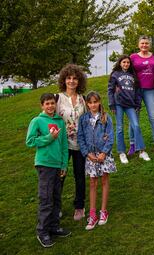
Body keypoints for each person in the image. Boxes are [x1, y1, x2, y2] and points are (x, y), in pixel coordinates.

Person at [26, 93, 71, 248]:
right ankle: (42, 231)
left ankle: (54, 227)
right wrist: (48, 138)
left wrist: (64, 165)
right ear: (42, 106)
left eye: (52, 103)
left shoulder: (60, 121)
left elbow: (64, 145)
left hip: (58, 165)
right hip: (44, 164)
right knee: (46, 199)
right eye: (47, 103)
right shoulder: (37, 121)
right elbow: (30, 141)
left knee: (56, 197)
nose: (50, 106)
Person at [77, 91, 117, 230]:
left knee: (104, 181)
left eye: (95, 102)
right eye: (90, 102)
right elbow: (80, 138)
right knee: (93, 182)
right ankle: (92, 214)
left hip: (104, 155)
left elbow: (111, 137)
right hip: (91, 156)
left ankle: (103, 211)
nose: (93, 105)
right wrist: (87, 153)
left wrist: (104, 153)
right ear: (87, 104)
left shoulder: (106, 118)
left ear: (99, 102)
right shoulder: (83, 119)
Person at [56, 64, 87, 221]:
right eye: (69, 78)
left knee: (79, 175)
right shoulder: (57, 98)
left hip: (80, 144)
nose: (72, 81)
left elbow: (87, 120)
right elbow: (51, 120)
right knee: (60, 175)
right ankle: (56, 207)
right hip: (62, 144)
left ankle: (79, 206)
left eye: (75, 78)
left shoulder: (83, 99)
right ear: (64, 80)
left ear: (79, 80)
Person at [108, 54, 150, 163]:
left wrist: (137, 104)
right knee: (120, 128)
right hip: (118, 104)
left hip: (130, 104)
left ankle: (141, 151)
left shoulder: (133, 75)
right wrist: (112, 104)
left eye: (128, 62)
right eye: (124, 62)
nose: (126, 64)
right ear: (120, 63)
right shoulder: (115, 75)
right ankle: (122, 152)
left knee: (136, 125)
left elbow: (138, 92)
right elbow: (110, 90)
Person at [130, 35, 154, 155]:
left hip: (150, 90)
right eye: (142, 43)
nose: (144, 45)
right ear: (138, 44)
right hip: (136, 90)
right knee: (134, 118)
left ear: (150, 45)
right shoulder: (133, 57)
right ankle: (133, 144)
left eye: (147, 43)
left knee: (153, 117)